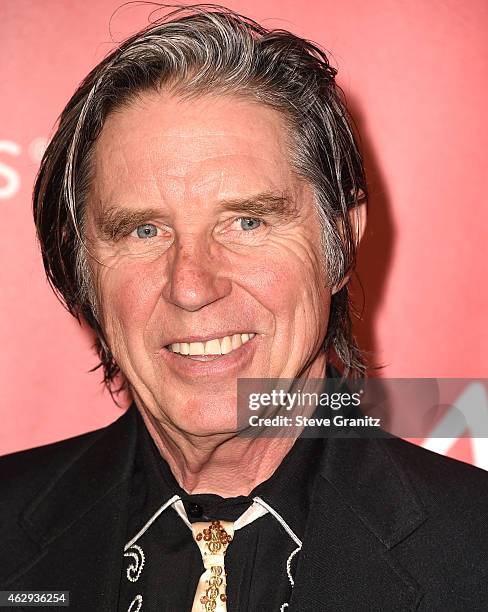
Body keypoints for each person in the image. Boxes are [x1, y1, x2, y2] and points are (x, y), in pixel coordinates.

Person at [1, 5, 487, 611]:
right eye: (142, 232)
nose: (192, 284)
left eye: (247, 221)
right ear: (83, 270)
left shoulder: (475, 555)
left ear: (340, 239)